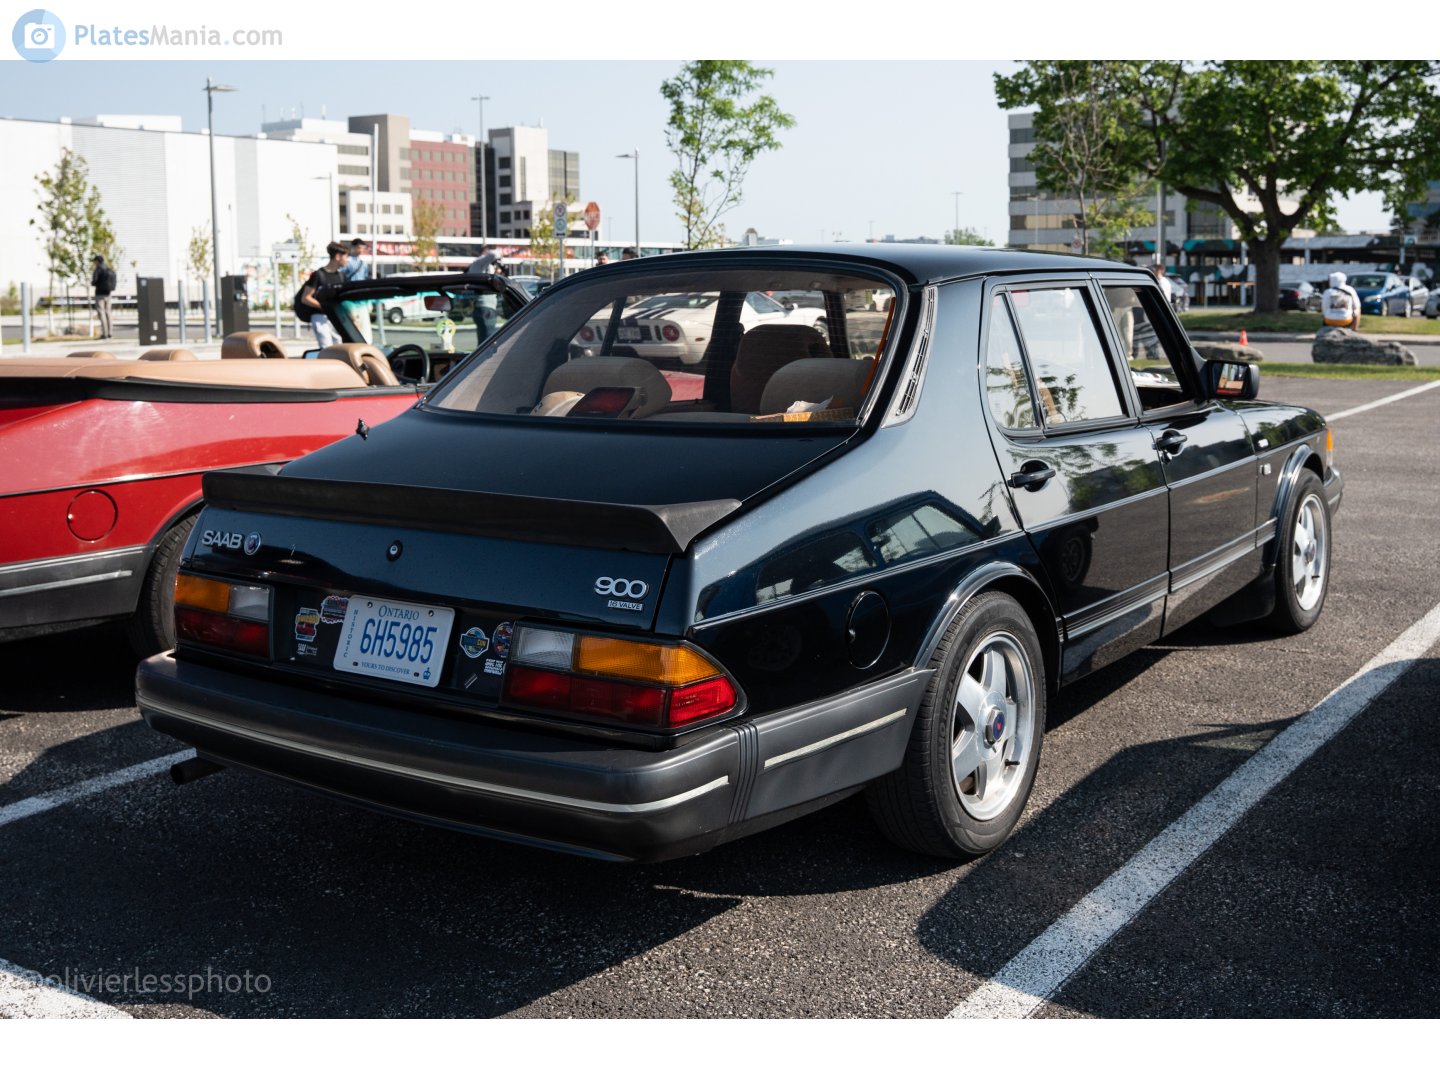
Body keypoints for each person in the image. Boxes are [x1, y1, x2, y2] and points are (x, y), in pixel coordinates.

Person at [295, 242, 349, 349]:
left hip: (335, 317)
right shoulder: (318, 275)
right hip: (319, 316)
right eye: (346, 256)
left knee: (339, 345)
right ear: (338, 257)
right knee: (326, 347)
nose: (348, 260)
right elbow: (306, 298)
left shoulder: (341, 276)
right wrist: (324, 307)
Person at [341, 238, 373, 343]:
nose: (360, 250)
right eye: (358, 247)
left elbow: (365, 279)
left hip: (362, 299)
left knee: (364, 327)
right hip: (350, 298)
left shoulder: (363, 264)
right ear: (353, 247)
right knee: (354, 325)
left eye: (362, 248)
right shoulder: (348, 262)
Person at [91, 254, 116, 339]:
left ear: (97, 261)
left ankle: (104, 333)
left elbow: (94, 281)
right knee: (108, 313)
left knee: (101, 313)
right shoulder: (108, 269)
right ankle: (110, 333)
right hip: (108, 294)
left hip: (99, 294)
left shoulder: (98, 269)